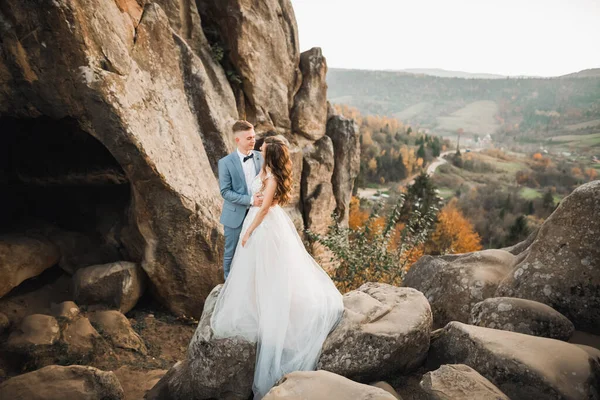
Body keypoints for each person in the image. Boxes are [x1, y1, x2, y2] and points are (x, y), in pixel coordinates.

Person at [210, 136, 344, 399]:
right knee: (252, 269)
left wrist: (248, 232)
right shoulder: (266, 171)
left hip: (265, 226)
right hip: (259, 219)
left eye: (262, 149)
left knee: (269, 269)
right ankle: (255, 302)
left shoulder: (272, 179)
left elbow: (263, 211)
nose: (258, 150)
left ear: (269, 155)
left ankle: (272, 307)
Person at [218, 120, 264, 280]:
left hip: (258, 215)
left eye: (253, 137)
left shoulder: (261, 157)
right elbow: (225, 192)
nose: (253, 141)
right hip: (234, 216)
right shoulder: (225, 163)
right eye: (249, 138)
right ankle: (228, 286)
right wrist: (251, 200)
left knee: (256, 251)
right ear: (237, 140)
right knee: (231, 252)